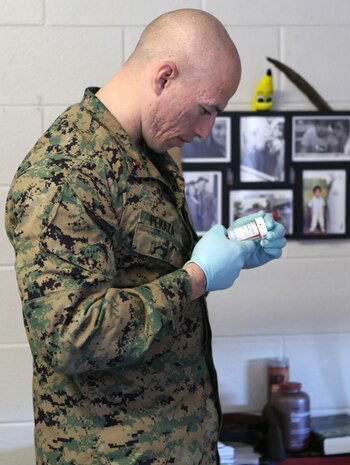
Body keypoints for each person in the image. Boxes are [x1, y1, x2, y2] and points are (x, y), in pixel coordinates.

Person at [4, 8, 286, 465]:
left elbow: (145, 272)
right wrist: (197, 277)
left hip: (180, 445)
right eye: (205, 109)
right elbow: (71, 337)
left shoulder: (150, 153)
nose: (205, 130)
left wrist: (231, 248)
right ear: (164, 77)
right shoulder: (66, 176)